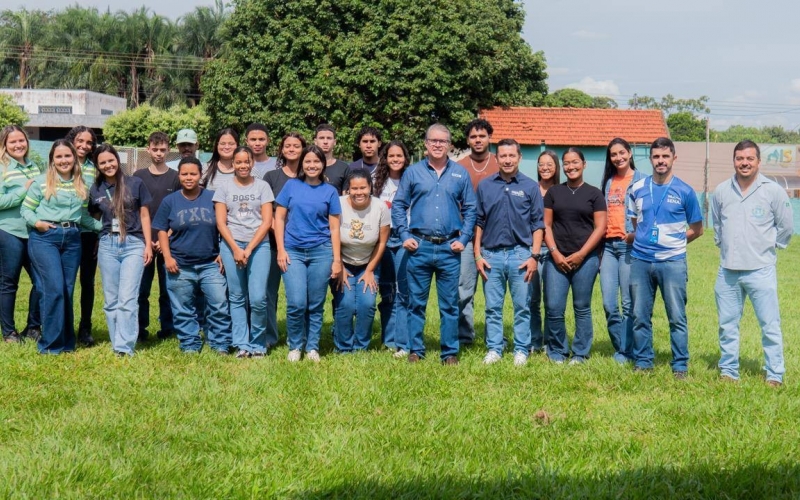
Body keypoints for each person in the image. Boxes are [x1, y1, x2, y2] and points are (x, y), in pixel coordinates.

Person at [391, 123, 476, 365]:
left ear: (449, 145)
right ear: (426, 144)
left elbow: (471, 209)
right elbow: (398, 206)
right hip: (420, 246)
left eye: (443, 141)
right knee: (416, 302)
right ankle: (415, 350)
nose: (438, 145)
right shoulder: (413, 173)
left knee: (450, 304)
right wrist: (405, 235)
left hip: (450, 248)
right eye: (433, 141)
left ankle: (449, 352)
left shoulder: (460, 173)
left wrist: (463, 238)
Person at [711, 140, 792, 387]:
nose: (744, 163)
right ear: (734, 160)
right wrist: (725, 246)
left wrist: (767, 247)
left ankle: (775, 373)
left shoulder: (773, 191)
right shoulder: (721, 191)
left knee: (769, 325)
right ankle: (728, 370)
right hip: (728, 271)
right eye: (739, 158)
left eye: (749, 159)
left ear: (758, 161)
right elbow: (717, 226)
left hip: (761, 270)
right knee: (727, 325)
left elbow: (786, 227)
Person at [628, 137, 703, 378]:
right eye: (656, 157)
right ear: (651, 159)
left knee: (677, 316)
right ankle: (643, 361)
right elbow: (635, 222)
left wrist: (675, 245)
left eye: (665, 156)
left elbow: (697, 228)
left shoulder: (685, 191)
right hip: (640, 260)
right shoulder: (637, 188)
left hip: (672, 263)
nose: (661, 161)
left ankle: (680, 365)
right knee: (640, 315)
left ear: (673, 158)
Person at [20, 140, 102, 354]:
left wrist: (107, 227)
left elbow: (84, 217)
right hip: (45, 238)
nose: (64, 160)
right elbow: (26, 210)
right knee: (54, 289)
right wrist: (37, 223)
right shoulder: (41, 182)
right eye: (59, 156)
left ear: (74, 158)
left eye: (68, 156)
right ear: (52, 160)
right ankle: (49, 345)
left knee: (66, 291)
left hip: (73, 238)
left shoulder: (81, 185)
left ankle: (67, 342)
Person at [474, 139, 543, 366]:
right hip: (491, 255)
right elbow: (479, 222)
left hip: (521, 255)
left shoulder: (530, 187)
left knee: (522, 306)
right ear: (497, 158)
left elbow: (537, 225)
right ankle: (494, 348)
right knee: (493, 307)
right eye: (503, 156)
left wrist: (533, 257)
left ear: (519, 158)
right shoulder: (485, 186)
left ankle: (521, 349)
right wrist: (477, 254)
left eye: (511, 156)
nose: (507, 160)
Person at [153, 157, 232, 354]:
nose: (189, 178)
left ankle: (220, 343)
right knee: (182, 309)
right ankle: (189, 343)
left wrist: (222, 251)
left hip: (210, 264)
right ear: (179, 175)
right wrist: (168, 258)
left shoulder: (213, 198)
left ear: (200, 175)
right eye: (184, 174)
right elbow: (162, 230)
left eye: (193, 174)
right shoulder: (170, 201)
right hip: (180, 265)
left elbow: (224, 226)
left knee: (219, 305)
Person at [274, 145, 342, 362]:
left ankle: (312, 347)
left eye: (316, 161)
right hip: (292, 250)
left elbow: (334, 227)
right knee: (296, 302)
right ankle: (295, 345)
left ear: (323, 164)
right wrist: (281, 250)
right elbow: (279, 219)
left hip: (321, 252)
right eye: (308, 161)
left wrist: (337, 260)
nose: (312, 165)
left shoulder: (330, 191)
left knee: (315, 302)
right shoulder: (291, 186)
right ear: (302, 164)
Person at [543, 148, 607, 364]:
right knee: (554, 307)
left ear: (584, 164)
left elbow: (600, 228)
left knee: (581, 307)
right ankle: (558, 351)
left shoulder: (595, 194)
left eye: (575, 162)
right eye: (567, 163)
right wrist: (555, 253)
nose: (571, 167)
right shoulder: (554, 193)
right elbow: (546, 225)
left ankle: (580, 353)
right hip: (556, 259)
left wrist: (581, 254)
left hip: (586, 259)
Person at [89, 144, 153, 357]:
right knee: (111, 300)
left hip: (133, 244)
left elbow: (144, 215)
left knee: (127, 298)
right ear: (97, 166)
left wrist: (147, 244)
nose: (108, 165)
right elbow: (93, 217)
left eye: (111, 160)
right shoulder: (95, 189)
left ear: (117, 160)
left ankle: (124, 347)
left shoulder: (136, 183)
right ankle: (117, 341)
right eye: (102, 163)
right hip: (108, 245)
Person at [214, 146, 274, 358]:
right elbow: (221, 223)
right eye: (238, 162)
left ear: (252, 163)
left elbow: (267, 221)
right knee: (237, 297)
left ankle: (258, 342)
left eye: (246, 162)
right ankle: (242, 344)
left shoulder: (263, 187)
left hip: (258, 246)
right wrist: (236, 249)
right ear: (233, 164)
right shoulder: (223, 188)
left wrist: (247, 249)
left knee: (258, 298)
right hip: (231, 245)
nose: (242, 166)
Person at [599, 138, 647, 364]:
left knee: (629, 304)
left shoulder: (642, 181)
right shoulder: (608, 182)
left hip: (630, 246)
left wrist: (634, 235)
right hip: (608, 247)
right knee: (609, 304)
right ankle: (623, 347)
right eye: (613, 154)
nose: (618, 158)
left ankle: (627, 351)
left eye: (621, 153)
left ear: (629, 153)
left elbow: (647, 217)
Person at [333, 169, 390, 352]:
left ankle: (360, 347)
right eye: (354, 188)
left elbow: (382, 242)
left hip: (369, 263)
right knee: (345, 304)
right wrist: (339, 265)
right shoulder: (338, 204)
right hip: (343, 262)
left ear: (370, 187)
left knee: (367, 303)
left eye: (363, 188)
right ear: (348, 189)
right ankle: (343, 346)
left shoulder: (380, 207)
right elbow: (331, 236)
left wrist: (370, 269)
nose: (359, 192)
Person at [456, 118, 499, 346]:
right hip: (466, 236)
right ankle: (464, 337)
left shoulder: (499, 163)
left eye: (482, 136)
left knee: (492, 292)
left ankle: (494, 340)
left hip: (493, 238)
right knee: (464, 289)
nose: (478, 140)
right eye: (473, 136)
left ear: (489, 138)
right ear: (468, 140)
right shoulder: (459, 166)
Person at [134, 131, 181, 341]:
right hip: (143, 242)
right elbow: (135, 210)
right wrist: (146, 240)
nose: (159, 153)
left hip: (168, 242)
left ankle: (168, 328)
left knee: (168, 288)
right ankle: (139, 328)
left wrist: (166, 237)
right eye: (155, 149)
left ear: (168, 150)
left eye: (163, 150)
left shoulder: (176, 177)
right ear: (148, 149)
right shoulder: (138, 176)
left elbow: (179, 211)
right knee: (141, 289)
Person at [263, 132, 307, 348]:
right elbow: (268, 213)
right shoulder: (272, 177)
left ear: (303, 148)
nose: (291, 149)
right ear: (281, 149)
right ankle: (270, 337)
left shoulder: (312, 175)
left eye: (296, 145)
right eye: (287, 145)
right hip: (273, 244)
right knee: (269, 293)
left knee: (298, 296)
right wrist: (280, 236)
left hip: (302, 246)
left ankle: (298, 338)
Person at [0, 125, 42, 343]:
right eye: (12, 142)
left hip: (33, 232)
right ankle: (9, 332)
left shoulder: (34, 166)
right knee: (9, 283)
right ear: (4, 145)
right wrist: (23, 190)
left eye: (21, 140)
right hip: (9, 231)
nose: (18, 145)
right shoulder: (2, 167)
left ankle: (33, 327)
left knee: (41, 281)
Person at [373, 140, 411, 356]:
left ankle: (403, 342)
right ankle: (389, 340)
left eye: (399, 156)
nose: (396, 159)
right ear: (385, 159)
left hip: (406, 238)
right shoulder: (376, 181)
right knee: (387, 290)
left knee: (403, 290)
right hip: (383, 239)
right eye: (391, 156)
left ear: (405, 158)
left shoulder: (412, 179)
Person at [66, 125, 99, 346]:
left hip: (89, 233)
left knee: (87, 282)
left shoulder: (94, 168)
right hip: (65, 232)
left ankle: (84, 329)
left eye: (88, 142)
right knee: (65, 283)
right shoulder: (61, 162)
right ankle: (63, 326)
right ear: (72, 140)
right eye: (80, 141)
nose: (84, 146)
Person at [530, 150, 560, 354]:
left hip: (553, 251)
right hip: (532, 250)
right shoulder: (530, 189)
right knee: (532, 299)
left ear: (556, 167)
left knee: (552, 300)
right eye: (542, 164)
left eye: (550, 164)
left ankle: (551, 340)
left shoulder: (562, 191)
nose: (545, 167)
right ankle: (534, 340)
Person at [313, 124, 351, 194]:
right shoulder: (308, 167)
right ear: (315, 141)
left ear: (335, 142)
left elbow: (345, 197)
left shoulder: (344, 168)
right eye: (321, 138)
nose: (325, 142)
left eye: (329, 138)